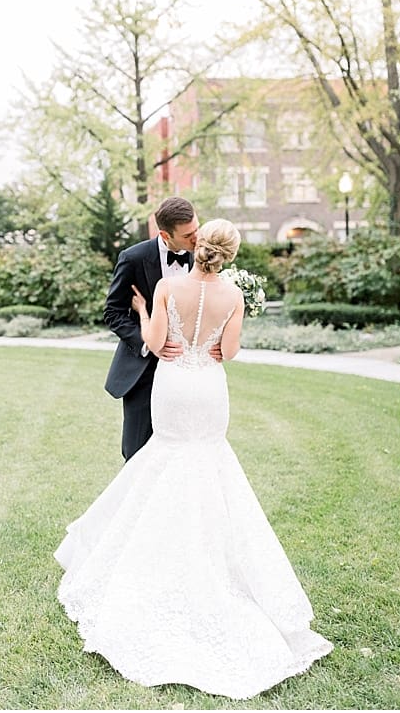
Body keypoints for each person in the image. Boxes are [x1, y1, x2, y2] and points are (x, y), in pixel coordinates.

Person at [56, 219, 333, 699]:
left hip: (173, 386)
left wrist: (145, 310)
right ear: (230, 254)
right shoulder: (234, 297)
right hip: (207, 388)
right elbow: (228, 353)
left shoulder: (167, 285)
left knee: (162, 459)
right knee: (210, 465)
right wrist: (213, 344)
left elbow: (158, 343)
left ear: (198, 245)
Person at [103, 196, 216, 460]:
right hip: (143, 370)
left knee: (182, 448)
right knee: (137, 449)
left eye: (197, 229)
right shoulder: (133, 258)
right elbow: (113, 312)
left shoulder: (203, 257)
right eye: (189, 234)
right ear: (165, 234)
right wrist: (149, 342)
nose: (197, 238)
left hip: (187, 371)